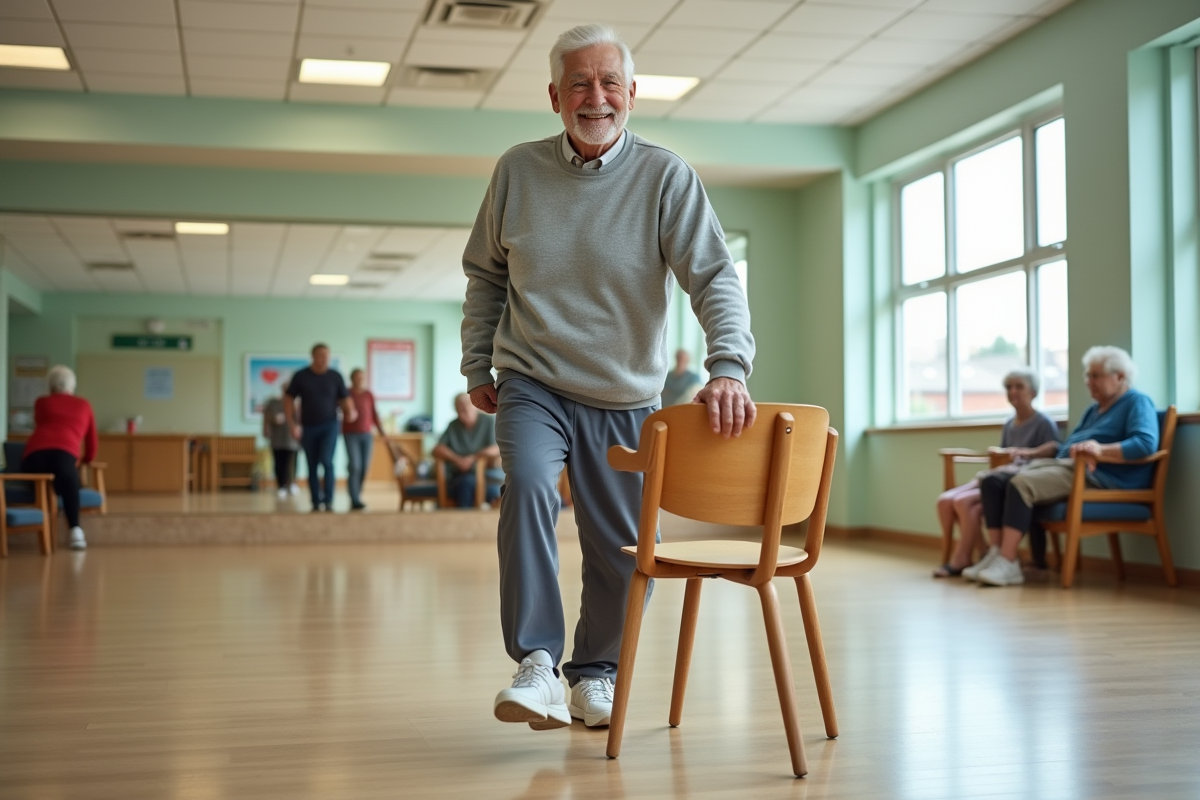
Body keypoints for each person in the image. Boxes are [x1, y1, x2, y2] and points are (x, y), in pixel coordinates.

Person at [461, 23, 756, 732]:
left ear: (631, 92)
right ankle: (536, 661)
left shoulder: (665, 176)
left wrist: (728, 366)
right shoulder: (517, 171)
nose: (596, 97)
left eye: (609, 82)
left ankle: (595, 671)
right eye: (580, 84)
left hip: (625, 393)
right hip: (532, 378)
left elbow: (714, 277)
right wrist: (477, 361)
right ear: (555, 96)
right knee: (529, 486)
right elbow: (486, 276)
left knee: (621, 546)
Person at [970, 346, 1157, 587]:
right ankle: (996, 553)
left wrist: (1099, 450)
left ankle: (1008, 561)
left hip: (1101, 477)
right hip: (1068, 467)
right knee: (993, 480)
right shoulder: (1094, 410)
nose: (1089, 382)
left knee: (1021, 483)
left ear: (1120, 376)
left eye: (1095, 375)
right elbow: (1065, 448)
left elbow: (1145, 444)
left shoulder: (1137, 401)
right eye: (1087, 375)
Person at [933, 368, 1059, 578]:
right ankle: (984, 554)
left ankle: (968, 557)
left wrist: (1023, 453)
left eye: (1019, 387)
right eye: (1009, 387)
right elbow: (1003, 457)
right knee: (945, 502)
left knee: (963, 502)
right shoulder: (1009, 424)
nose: (1013, 391)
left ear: (1033, 392)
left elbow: (1052, 452)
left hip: (1017, 481)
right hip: (1000, 476)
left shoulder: (1044, 422)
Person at [21, 365, 97, 551]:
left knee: (47, 482)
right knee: (70, 481)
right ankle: (75, 531)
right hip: (65, 454)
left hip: (34, 455)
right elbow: (92, 441)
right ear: (73, 385)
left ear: (50, 385)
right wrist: (86, 460)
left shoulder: (41, 402)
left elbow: (42, 423)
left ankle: (42, 523)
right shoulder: (84, 404)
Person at [284, 344, 357, 512]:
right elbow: (288, 399)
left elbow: (345, 398)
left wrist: (351, 411)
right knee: (312, 464)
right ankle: (316, 501)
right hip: (308, 427)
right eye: (320, 355)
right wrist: (292, 424)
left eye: (326, 355)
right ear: (313, 356)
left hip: (330, 425)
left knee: (327, 461)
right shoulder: (301, 376)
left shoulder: (335, 376)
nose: (324, 358)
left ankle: (329, 500)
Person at [431, 393, 502, 508]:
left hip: (485, 472)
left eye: (467, 405)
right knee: (464, 482)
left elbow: (496, 449)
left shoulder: (488, 421)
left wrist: (473, 458)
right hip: (460, 473)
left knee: (467, 483)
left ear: (475, 405)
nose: (464, 409)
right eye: (460, 407)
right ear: (456, 410)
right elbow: (437, 449)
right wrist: (457, 460)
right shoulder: (453, 425)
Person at [343, 368, 397, 511]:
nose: (360, 379)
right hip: (350, 434)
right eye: (357, 377)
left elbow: (374, 415)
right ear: (352, 379)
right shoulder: (346, 393)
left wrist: (383, 433)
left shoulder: (369, 395)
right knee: (355, 465)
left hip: (367, 435)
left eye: (362, 377)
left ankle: (358, 495)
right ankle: (354, 498)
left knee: (364, 467)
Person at [262, 380, 299, 499]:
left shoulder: (296, 405)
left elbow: (300, 420)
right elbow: (266, 418)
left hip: (292, 439)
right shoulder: (273, 403)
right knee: (279, 463)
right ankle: (281, 485)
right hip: (277, 439)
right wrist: (266, 428)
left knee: (292, 463)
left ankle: (291, 484)